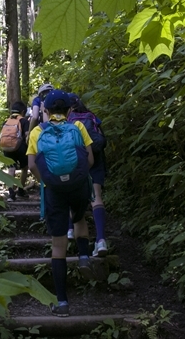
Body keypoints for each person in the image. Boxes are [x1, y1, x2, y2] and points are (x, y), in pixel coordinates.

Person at [26, 89, 95, 317]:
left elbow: (32, 165)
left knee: (57, 246)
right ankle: (84, 257)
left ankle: (63, 304)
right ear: (69, 110)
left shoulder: (37, 131)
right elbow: (90, 159)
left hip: (53, 190)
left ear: (45, 110)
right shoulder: (78, 128)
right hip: (77, 186)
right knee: (79, 216)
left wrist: (46, 182)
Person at [66, 94, 108, 257]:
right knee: (96, 196)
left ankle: (70, 229)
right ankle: (101, 240)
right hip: (96, 160)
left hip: (76, 160)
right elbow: (102, 140)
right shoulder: (92, 116)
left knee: (72, 195)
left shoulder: (67, 121)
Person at [1, 101, 30, 201]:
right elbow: (27, 135)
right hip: (21, 147)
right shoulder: (24, 121)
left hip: (7, 148)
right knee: (25, 168)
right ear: (22, 111)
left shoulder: (6, 121)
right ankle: (21, 191)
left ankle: (11, 194)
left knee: (11, 169)